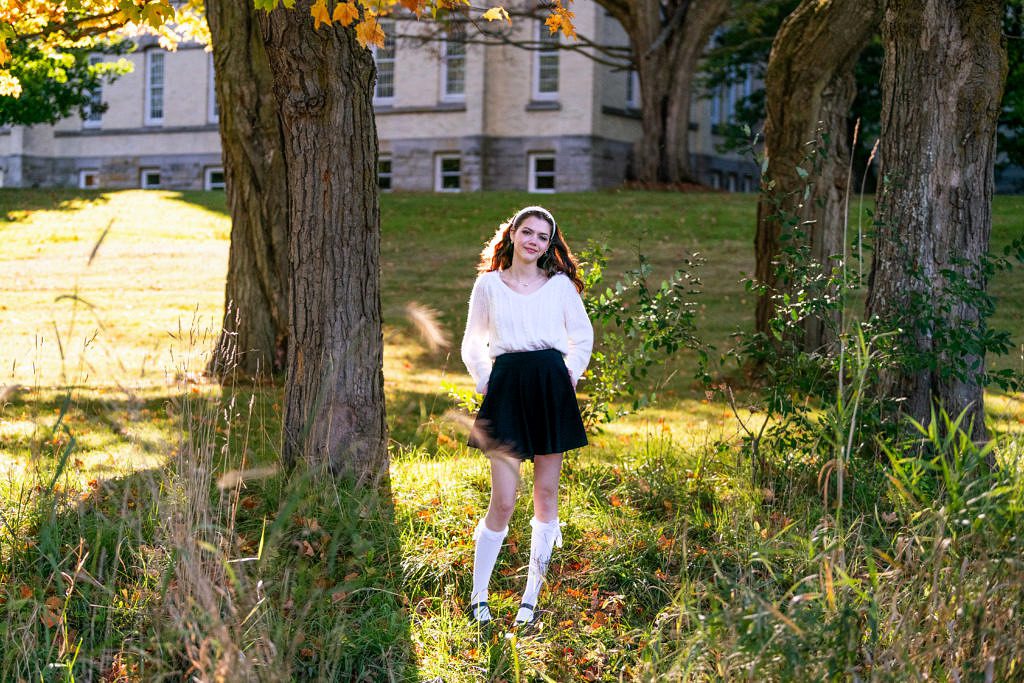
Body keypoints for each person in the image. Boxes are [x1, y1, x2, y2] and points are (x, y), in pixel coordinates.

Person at [461, 205, 593, 627]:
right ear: (512, 234)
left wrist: (569, 373)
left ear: (548, 245)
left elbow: (582, 335)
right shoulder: (488, 286)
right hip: (507, 387)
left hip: (551, 385)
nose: (534, 241)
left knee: (546, 496)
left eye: (543, 236)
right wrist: (485, 380)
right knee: (502, 500)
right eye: (528, 232)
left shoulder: (559, 287)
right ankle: (478, 596)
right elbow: (472, 341)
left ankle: (529, 599)